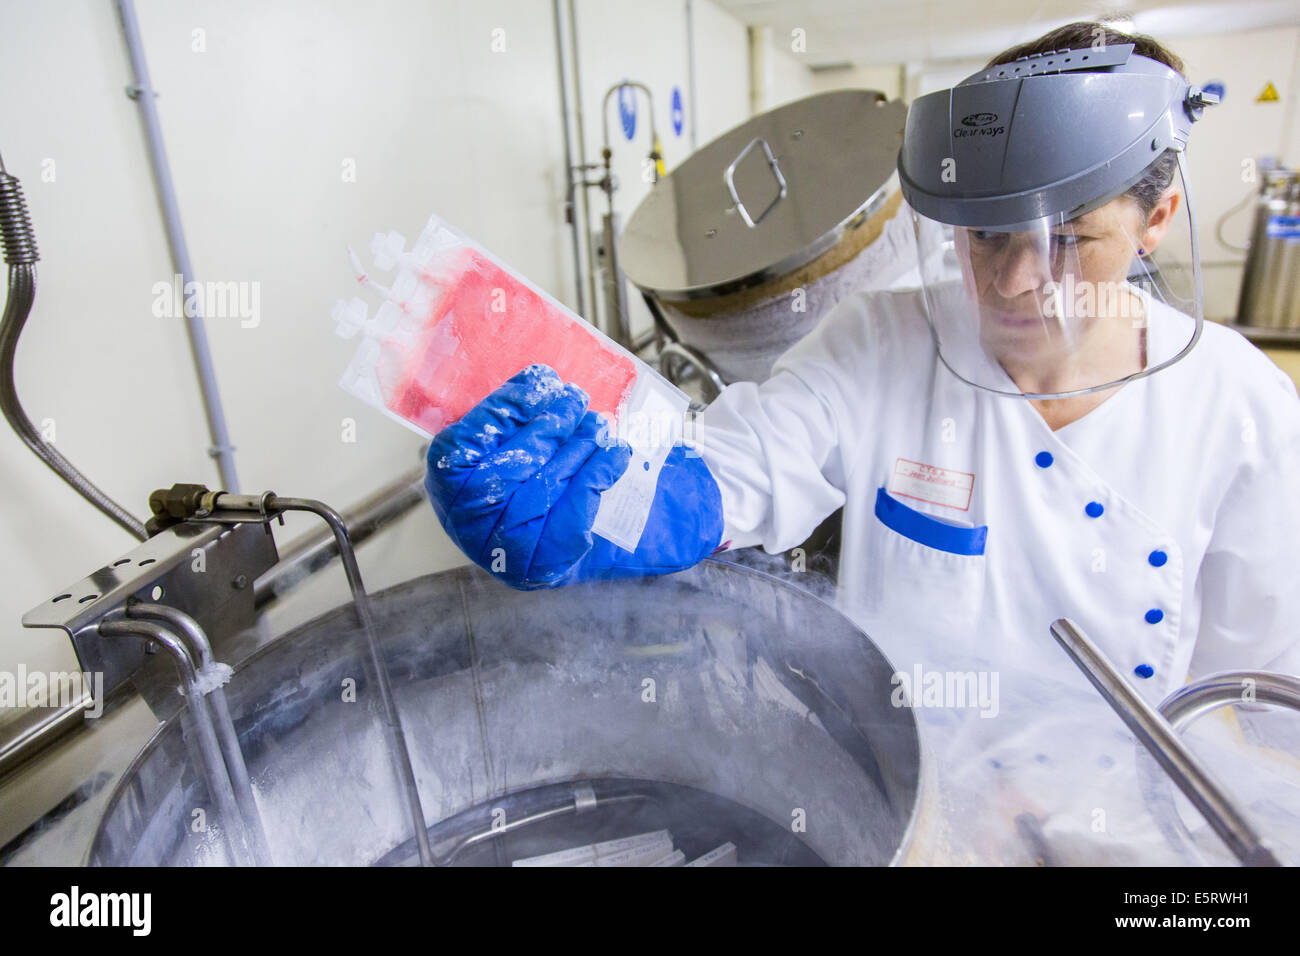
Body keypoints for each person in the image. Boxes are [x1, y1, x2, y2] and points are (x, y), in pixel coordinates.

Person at [425, 23, 1300, 863]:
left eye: (1066, 241)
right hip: (909, 812)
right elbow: (738, 466)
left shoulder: (1240, 408)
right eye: (984, 234)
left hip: (1129, 839)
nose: (1011, 281)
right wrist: (621, 507)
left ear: (1158, 218)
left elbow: (1254, 705)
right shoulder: (884, 341)